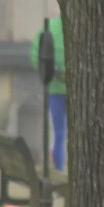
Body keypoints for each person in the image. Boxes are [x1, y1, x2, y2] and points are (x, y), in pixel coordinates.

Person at [31, 14, 66, 172]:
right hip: (59, 90)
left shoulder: (49, 27)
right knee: (62, 132)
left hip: (55, 89)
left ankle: (59, 167)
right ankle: (60, 167)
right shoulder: (52, 27)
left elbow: (36, 56)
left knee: (60, 132)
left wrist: (51, 71)